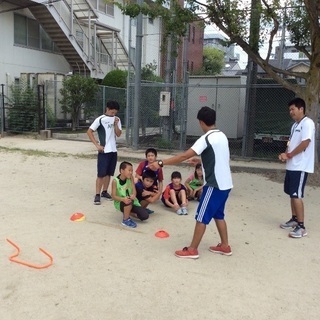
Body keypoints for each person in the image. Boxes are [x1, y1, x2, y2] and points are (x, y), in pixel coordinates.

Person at [149, 106, 233, 259]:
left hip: (214, 185)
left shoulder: (206, 138)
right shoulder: (222, 135)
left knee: (201, 216)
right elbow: (218, 158)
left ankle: (192, 249)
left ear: (201, 122)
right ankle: (225, 246)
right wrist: (201, 160)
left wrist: (161, 163)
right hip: (226, 184)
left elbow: (183, 156)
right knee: (218, 214)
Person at [278, 97, 315, 238]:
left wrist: (290, 155)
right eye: (289, 110)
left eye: (293, 109)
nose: (291, 112)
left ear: (301, 109)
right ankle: (294, 219)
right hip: (292, 165)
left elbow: (305, 142)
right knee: (291, 193)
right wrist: (285, 154)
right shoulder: (295, 125)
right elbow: (292, 143)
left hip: (300, 166)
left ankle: (301, 226)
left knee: (297, 195)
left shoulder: (308, 123)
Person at [87, 100, 122, 205]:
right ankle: (97, 194)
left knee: (109, 173)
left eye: (115, 112)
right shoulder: (100, 119)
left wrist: (116, 124)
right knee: (101, 173)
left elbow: (119, 134)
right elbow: (89, 131)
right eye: (112, 112)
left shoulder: (117, 119)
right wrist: (97, 145)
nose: (113, 114)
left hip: (113, 150)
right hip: (104, 150)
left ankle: (105, 192)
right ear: (107, 109)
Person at [111, 161, 149, 228]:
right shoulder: (115, 181)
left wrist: (134, 195)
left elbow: (134, 190)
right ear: (122, 170)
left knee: (144, 216)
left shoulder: (130, 177)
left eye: (132, 170)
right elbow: (113, 196)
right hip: (121, 202)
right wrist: (123, 199)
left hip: (132, 201)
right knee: (128, 202)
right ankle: (125, 220)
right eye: (129, 170)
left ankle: (127, 212)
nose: (131, 172)